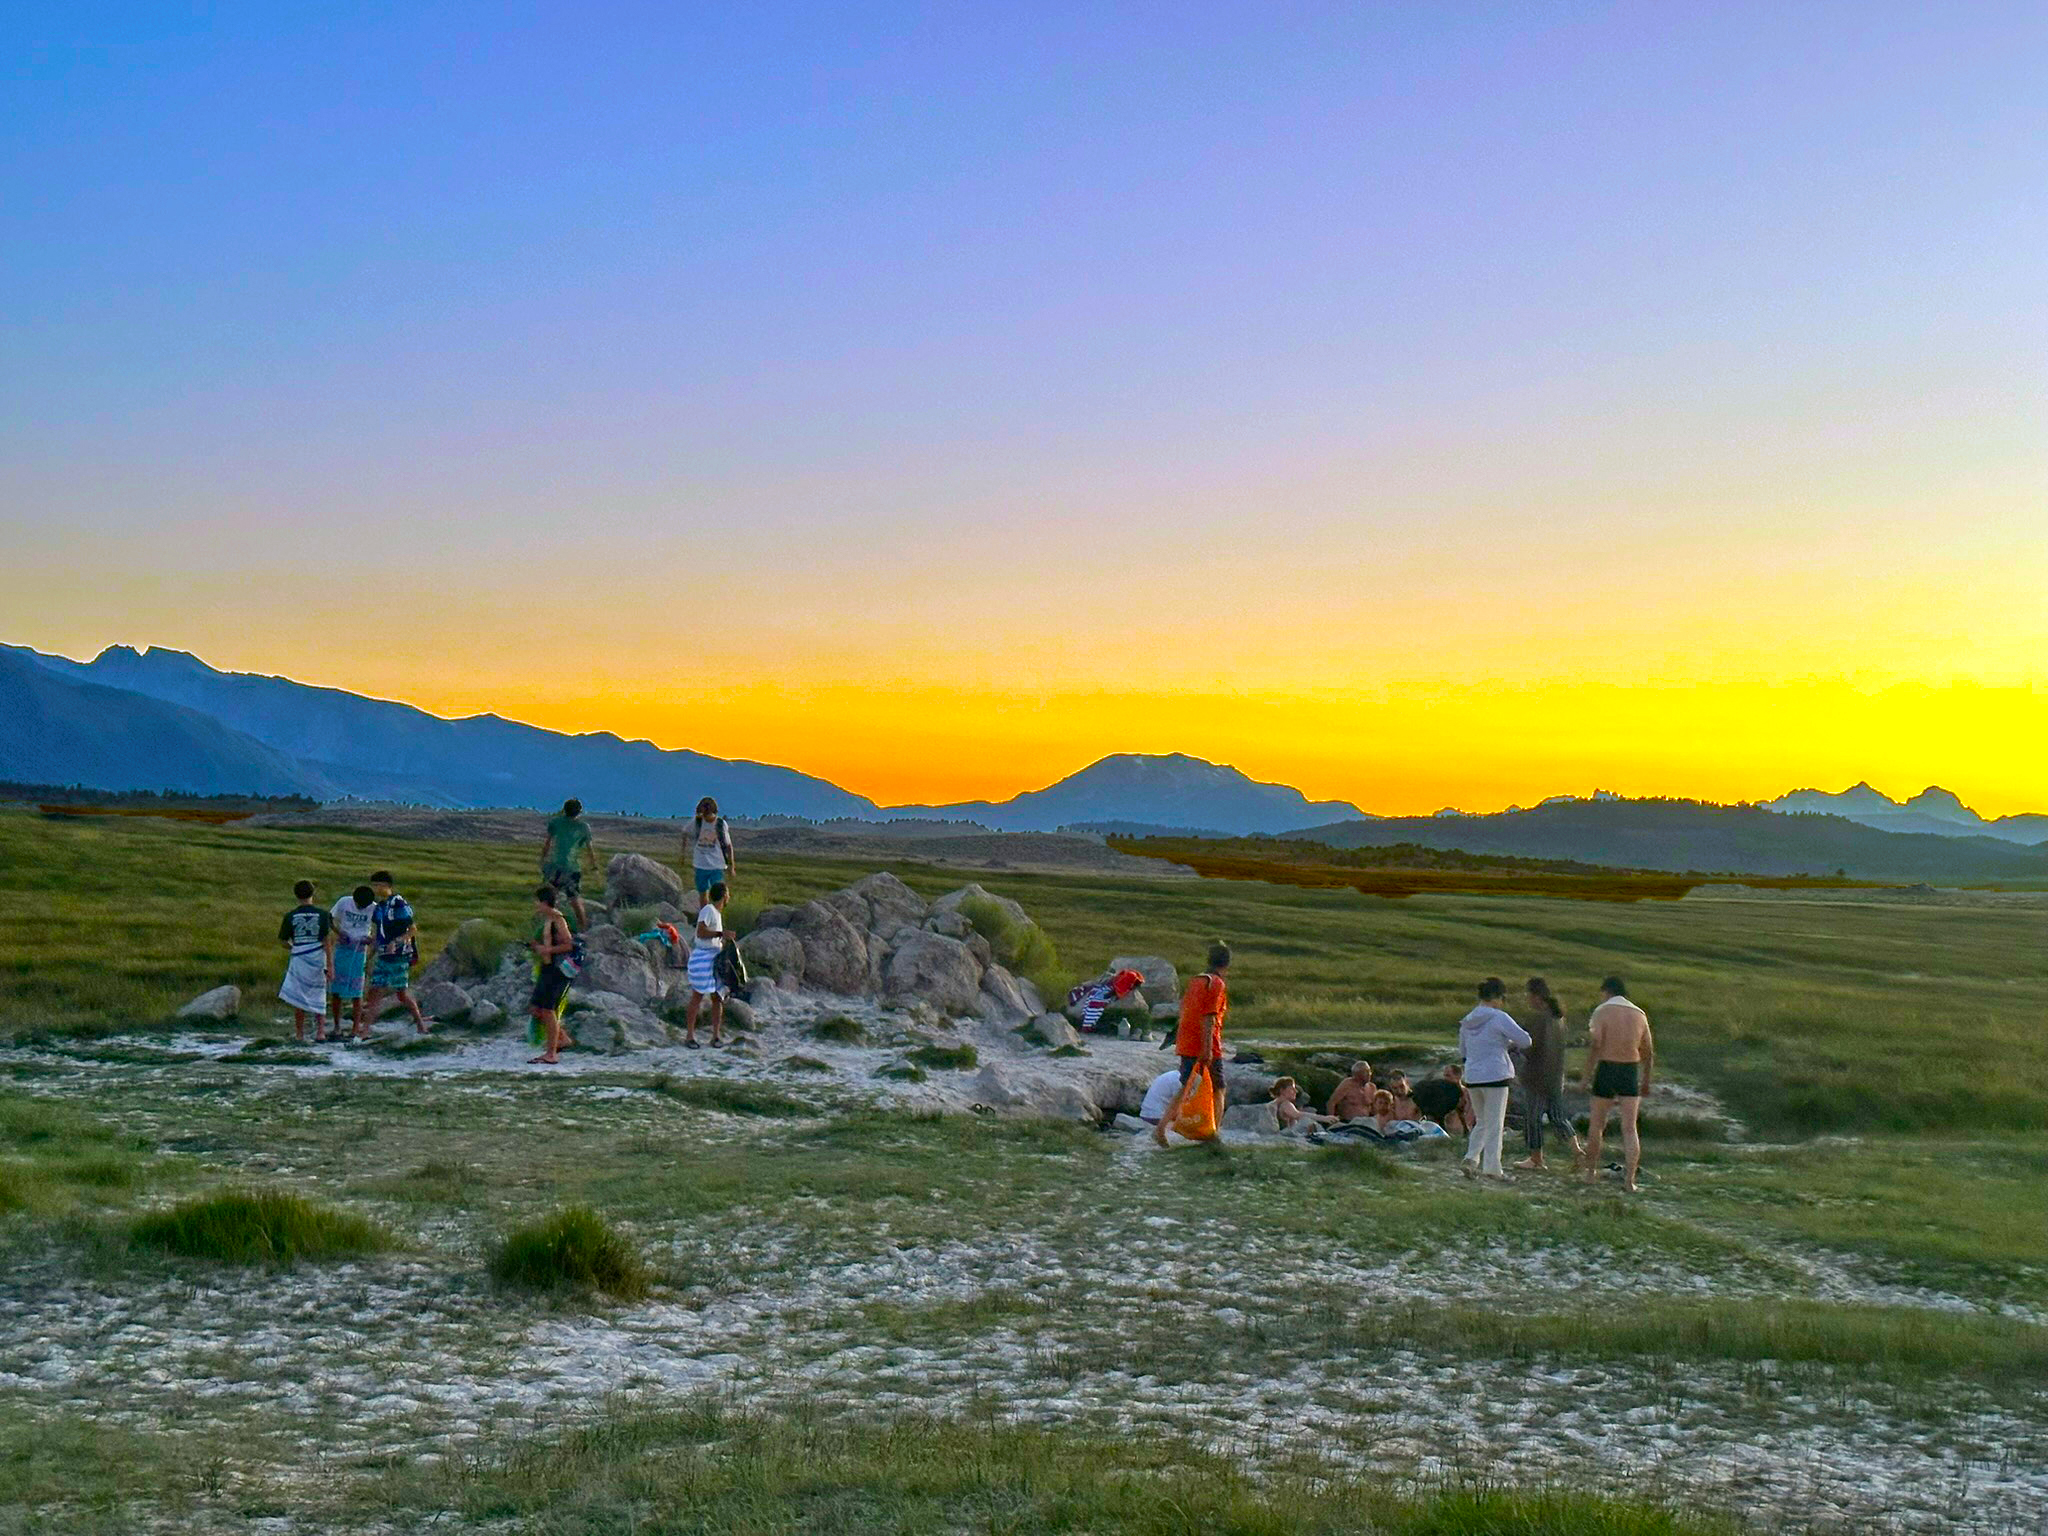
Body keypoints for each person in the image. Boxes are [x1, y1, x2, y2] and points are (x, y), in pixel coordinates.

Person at [1154, 942, 1231, 1147]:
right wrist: (1207, 1049)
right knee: (1219, 1088)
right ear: (1227, 964)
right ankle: (1212, 1132)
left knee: (1186, 1087)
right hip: (1206, 1044)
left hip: (1186, 1042)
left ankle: (1161, 1128)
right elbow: (1209, 1018)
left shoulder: (1197, 980)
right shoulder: (1216, 984)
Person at [1584, 975, 1655, 1192]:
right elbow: (1648, 1051)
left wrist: (1586, 1076)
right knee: (1629, 1128)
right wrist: (1646, 1080)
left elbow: (1596, 1045)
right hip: (1629, 1069)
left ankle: (1590, 1173)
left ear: (1607, 991)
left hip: (1607, 1067)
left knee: (1597, 1125)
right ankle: (1629, 1180)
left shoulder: (1602, 1011)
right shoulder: (1639, 1014)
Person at [1459, 979, 1531, 1179]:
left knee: (1482, 1121)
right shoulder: (1499, 1017)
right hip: (1495, 1074)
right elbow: (1525, 1040)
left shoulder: (1467, 1020)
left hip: (1473, 1075)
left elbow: (1463, 1050)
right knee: (1495, 1124)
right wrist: (1506, 1043)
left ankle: (1471, 1158)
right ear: (1498, 997)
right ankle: (1492, 1168)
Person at [1514, 977, 1583, 1171]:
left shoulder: (1540, 1019)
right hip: (1555, 1075)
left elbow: (1530, 1046)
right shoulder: (1558, 1018)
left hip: (1537, 1076)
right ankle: (1577, 1150)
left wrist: (1515, 1049)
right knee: (1558, 1117)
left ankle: (1536, 1158)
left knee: (1533, 1118)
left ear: (1536, 996)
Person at [363, 870, 427, 1035]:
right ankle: (365, 1029)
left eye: (378, 885)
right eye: (374, 885)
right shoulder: (379, 908)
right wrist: (369, 956)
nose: (376, 889)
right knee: (375, 991)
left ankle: (420, 1023)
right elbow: (379, 934)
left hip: (400, 955)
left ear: (387, 886)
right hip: (384, 954)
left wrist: (396, 942)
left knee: (401, 993)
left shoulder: (398, 903)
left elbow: (412, 929)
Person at [685, 879, 740, 1048]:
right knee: (698, 996)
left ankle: (715, 1036)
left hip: (714, 958)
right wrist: (720, 934)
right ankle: (689, 1036)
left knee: (717, 998)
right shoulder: (708, 910)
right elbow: (701, 932)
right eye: (728, 894)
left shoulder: (717, 914)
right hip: (703, 958)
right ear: (724, 896)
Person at [276, 880, 333, 1042]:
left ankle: (300, 1033)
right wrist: (330, 964)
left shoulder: (290, 916)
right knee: (319, 992)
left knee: (298, 995)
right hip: (317, 956)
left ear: (296, 895)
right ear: (312, 894)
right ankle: (320, 1031)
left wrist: (295, 947)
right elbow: (326, 941)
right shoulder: (322, 915)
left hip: (300, 956)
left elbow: (283, 941)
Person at [526, 885, 575, 1065]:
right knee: (536, 1008)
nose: (535, 905)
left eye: (537, 901)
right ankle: (562, 1038)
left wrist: (547, 949)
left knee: (548, 1009)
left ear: (545, 902)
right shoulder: (547, 919)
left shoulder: (558, 919)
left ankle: (551, 1054)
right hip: (546, 968)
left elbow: (569, 945)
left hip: (557, 970)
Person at [327, 883, 377, 1042]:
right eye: (359, 905)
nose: (362, 908)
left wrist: (372, 939)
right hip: (342, 948)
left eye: (365, 906)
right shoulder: (344, 902)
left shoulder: (374, 908)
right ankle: (337, 1026)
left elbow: (381, 927)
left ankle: (356, 1027)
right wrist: (338, 932)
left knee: (357, 990)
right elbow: (329, 918)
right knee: (337, 989)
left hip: (360, 950)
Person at [539, 798, 596, 930]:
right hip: (572, 867)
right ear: (579, 812)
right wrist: (594, 865)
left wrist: (542, 860)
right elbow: (589, 849)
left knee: (548, 897)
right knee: (574, 899)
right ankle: (583, 926)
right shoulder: (583, 827)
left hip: (554, 866)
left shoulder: (555, 823)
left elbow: (548, 844)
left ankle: (545, 926)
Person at [687, 798, 735, 899]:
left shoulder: (720, 824)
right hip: (700, 864)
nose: (704, 817)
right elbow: (685, 832)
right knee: (702, 893)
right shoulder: (697, 822)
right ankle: (704, 913)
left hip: (717, 865)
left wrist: (732, 866)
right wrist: (682, 854)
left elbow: (728, 846)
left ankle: (717, 912)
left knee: (718, 894)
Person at [1411, 1065, 1473, 1133]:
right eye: (1444, 1075)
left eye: (1448, 1075)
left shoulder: (1467, 1094)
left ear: (1458, 1076)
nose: (1445, 1078)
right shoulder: (1442, 1091)